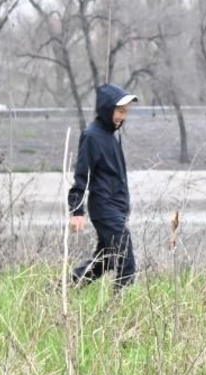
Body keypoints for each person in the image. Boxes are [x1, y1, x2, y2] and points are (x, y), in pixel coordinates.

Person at [67, 83, 138, 289]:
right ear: (107, 108)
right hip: (104, 207)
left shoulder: (110, 135)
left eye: (125, 113)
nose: (123, 117)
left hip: (116, 208)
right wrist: (76, 210)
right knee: (126, 259)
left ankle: (59, 291)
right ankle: (120, 310)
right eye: (120, 111)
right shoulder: (92, 136)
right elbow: (82, 175)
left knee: (104, 261)